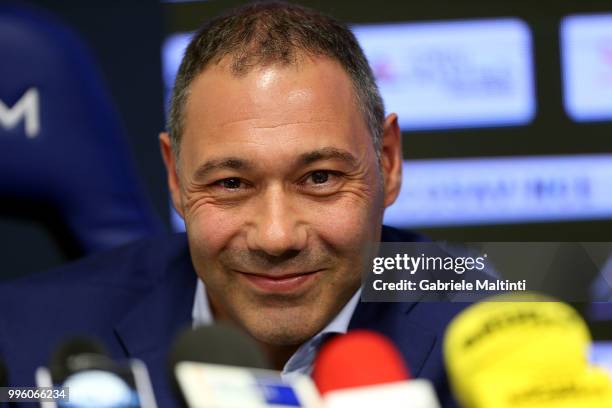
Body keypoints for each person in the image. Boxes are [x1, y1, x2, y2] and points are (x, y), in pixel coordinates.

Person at [0, 2, 468, 406]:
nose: (276, 236)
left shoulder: (495, 334)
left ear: (386, 162)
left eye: (319, 178)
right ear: (176, 177)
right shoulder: (19, 345)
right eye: (230, 184)